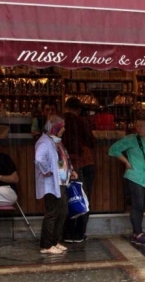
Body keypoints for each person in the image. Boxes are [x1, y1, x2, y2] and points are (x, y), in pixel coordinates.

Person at [109, 113, 145, 246]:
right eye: (137, 125)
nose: (138, 128)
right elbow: (113, 149)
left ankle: (137, 233)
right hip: (135, 176)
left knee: (143, 204)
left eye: (142, 126)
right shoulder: (131, 139)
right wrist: (126, 162)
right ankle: (138, 233)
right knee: (138, 204)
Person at [35, 115, 77, 255]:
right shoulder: (44, 142)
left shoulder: (55, 141)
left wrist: (70, 171)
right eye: (61, 127)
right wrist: (46, 170)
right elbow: (39, 158)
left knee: (62, 212)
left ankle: (54, 241)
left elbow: (62, 159)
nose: (64, 129)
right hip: (51, 184)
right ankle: (46, 245)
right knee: (52, 213)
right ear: (54, 128)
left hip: (61, 182)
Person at [61, 97, 95, 243]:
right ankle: (79, 233)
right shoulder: (82, 121)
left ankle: (67, 232)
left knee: (68, 197)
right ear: (79, 109)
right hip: (84, 161)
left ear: (66, 106)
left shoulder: (59, 121)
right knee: (83, 198)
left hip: (64, 164)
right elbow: (91, 141)